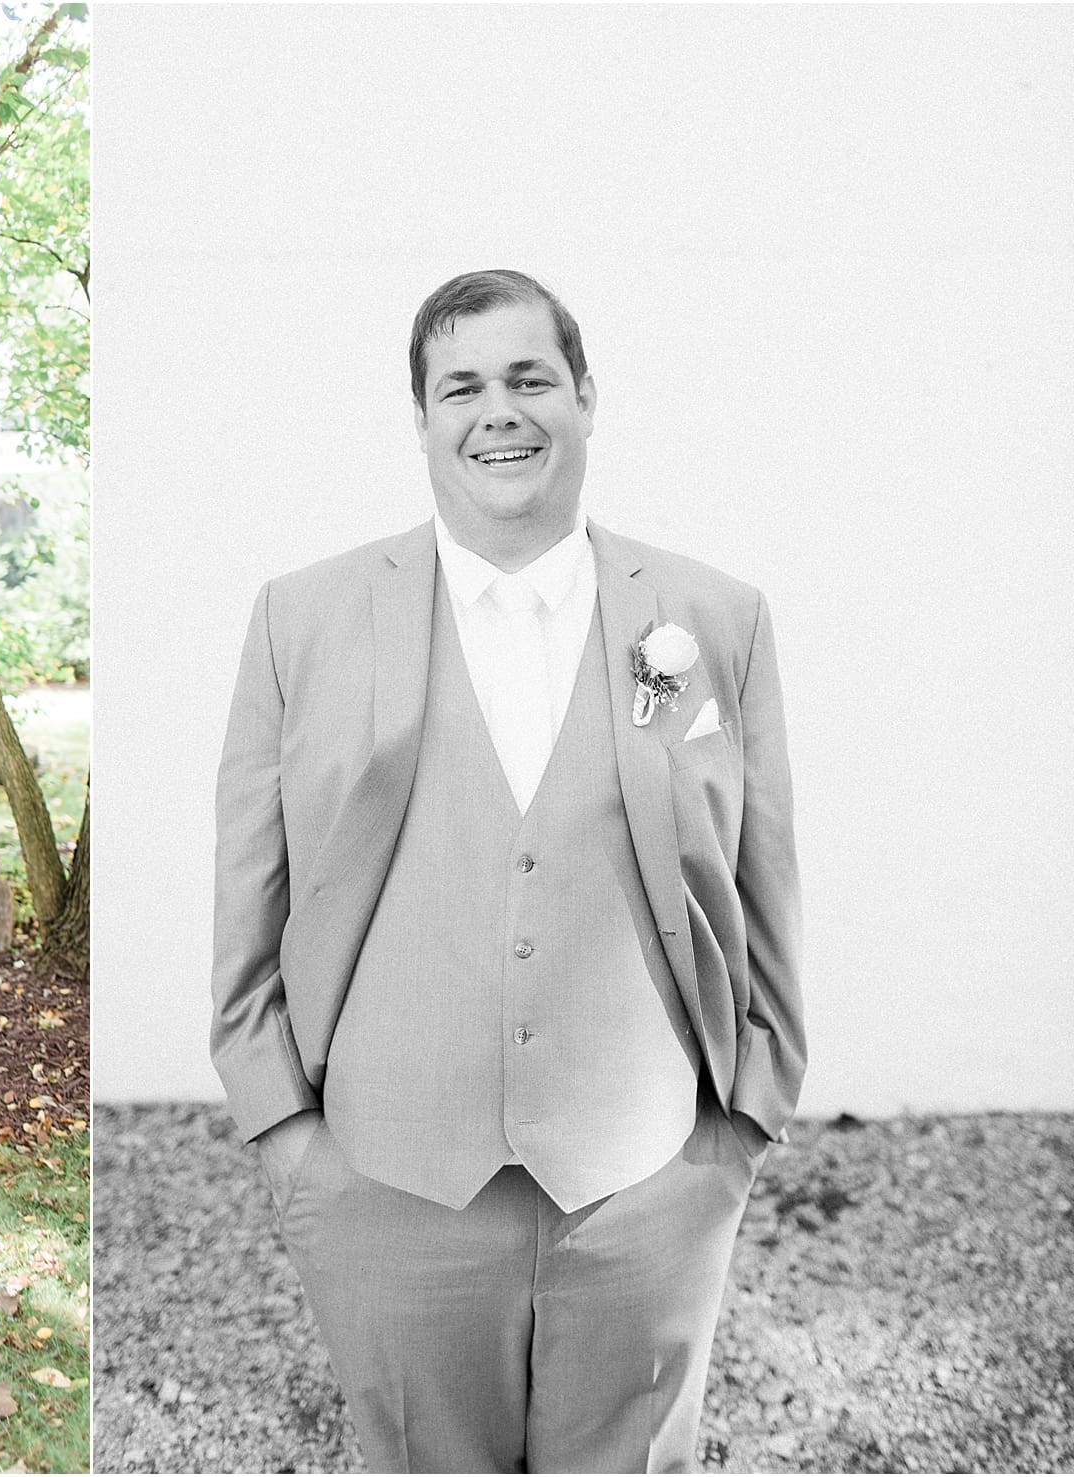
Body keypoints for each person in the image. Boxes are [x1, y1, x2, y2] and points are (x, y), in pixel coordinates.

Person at [211, 269, 805, 1473]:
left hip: (648, 1180)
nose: (501, 412)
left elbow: (764, 876)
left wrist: (743, 1126)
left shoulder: (711, 619)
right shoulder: (301, 618)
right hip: (388, 1185)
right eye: (462, 387)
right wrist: (288, 1136)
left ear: (585, 397)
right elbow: (248, 892)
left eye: (532, 379)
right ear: (421, 418)